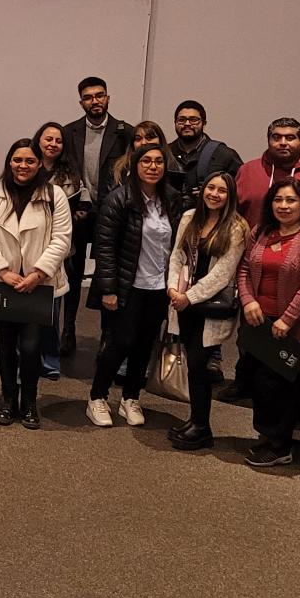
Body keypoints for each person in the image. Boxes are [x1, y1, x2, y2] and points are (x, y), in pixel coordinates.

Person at [237, 180, 300, 467]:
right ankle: (268, 437)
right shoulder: (262, 231)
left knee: (282, 386)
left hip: (293, 328)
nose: (283, 205)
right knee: (261, 384)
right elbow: (244, 268)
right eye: (278, 199)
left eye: (291, 200)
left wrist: (287, 319)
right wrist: (248, 301)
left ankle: (280, 445)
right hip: (259, 324)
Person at [0, 137, 73, 428]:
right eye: (17, 160)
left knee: (31, 347)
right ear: (9, 162)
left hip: (38, 285)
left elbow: (62, 239)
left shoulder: (54, 195)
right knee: (4, 344)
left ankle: (29, 401)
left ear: (39, 163)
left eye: (30, 161)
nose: (23, 165)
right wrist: (3, 271)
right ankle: (7, 399)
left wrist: (38, 273)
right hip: (5, 283)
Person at [87, 143, 178, 427]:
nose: (153, 166)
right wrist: (109, 289)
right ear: (135, 165)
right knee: (120, 342)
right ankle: (97, 397)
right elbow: (105, 247)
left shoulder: (173, 200)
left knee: (144, 344)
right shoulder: (120, 198)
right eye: (146, 161)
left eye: (158, 162)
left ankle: (130, 398)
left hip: (159, 287)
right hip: (128, 286)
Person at [164, 170, 249, 451]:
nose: (214, 194)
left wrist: (190, 297)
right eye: (210, 188)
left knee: (200, 364)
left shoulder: (237, 227)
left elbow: (223, 274)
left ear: (230, 196)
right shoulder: (189, 217)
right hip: (183, 302)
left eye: (221, 191)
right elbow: (176, 255)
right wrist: (173, 290)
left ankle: (203, 427)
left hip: (207, 307)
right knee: (193, 365)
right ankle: (196, 421)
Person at [62, 76, 133, 356]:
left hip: (110, 214)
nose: (95, 101)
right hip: (79, 213)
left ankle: (107, 334)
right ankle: (67, 330)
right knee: (72, 274)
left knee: (107, 277)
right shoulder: (69, 132)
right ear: (81, 102)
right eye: (89, 97)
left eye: (99, 95)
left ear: (108, 98)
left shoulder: (124, 132)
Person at [34, 120, 85, 375]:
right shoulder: (27, 165)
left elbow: (82, 206)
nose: (53, 144)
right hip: (29, 245)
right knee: (29, 309)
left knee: (53, 307)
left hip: (59, 246)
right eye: (48, 139)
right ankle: (29, 356)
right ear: (38, 141)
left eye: (58, 141)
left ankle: (49, 360)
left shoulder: (71, 174)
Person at [234, 117, 300, 232]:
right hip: (254, 246)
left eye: (290, 138)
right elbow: (231, 216)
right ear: (268, 140)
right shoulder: (247, 172)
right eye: (276, 137)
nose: (283, 143)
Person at [166, 101, 241, 211]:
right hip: (170, 220)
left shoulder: (224, 155)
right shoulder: (164, 153)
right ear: (175, 123)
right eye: (181, 120)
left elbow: (240, 192)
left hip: (210, 220)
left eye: (193, 120)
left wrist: (212, 193)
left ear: (204, 123)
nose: (187, 124)